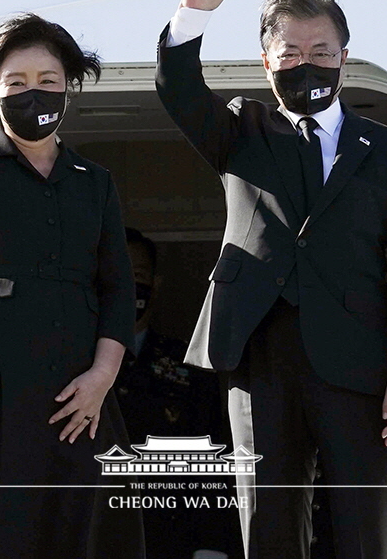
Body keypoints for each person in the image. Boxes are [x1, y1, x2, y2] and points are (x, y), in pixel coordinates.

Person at [154, 0, 387, 559]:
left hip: (362, 364)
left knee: (367, 528)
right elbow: (178, 91)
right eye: (289, 51)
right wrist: (193, 11)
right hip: (262, 361)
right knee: (270, 527)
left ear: (343, 57)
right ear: (266, 61)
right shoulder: (242, 131)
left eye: (320, 48)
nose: (304, 61)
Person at [0, 13, 145, 559]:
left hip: (76, 392)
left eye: (47, 82)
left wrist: (101, 379)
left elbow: (116, 289)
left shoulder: (94, 181)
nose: (32, 94)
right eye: (15, 83)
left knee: (81, 528)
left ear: (68, 89)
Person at [114, 227, 241, 559]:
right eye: (118, 275)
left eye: (138, 275)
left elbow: (214, 462)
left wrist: (211, 546)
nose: (128, 286)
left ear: (155, 285)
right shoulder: (74, 365)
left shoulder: (189, 367)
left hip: (172, 536)